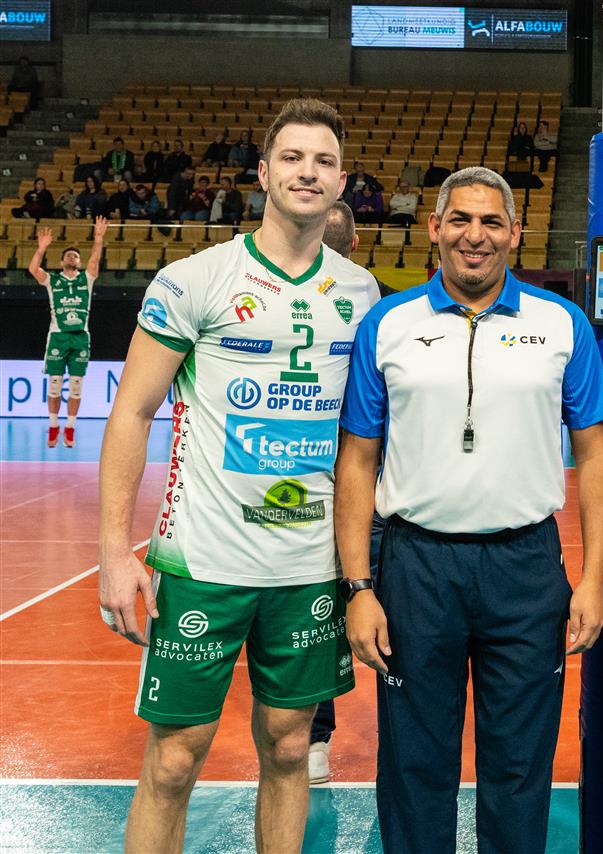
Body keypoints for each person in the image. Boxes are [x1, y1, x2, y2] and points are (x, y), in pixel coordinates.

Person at [96, 98, 380, 854]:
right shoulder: (193, 280)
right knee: (174, 760)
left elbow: (363, 441)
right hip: (203, 563)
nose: (307, 172)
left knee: (289, 747)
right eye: (292, 158)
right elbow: (132, 414)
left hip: (308, 567)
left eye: (323, 161)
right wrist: (114, 553)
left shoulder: (362, 294)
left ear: (341, 181)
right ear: (262, 173)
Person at [337, 166, 603, 852]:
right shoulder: (388, 323)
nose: (475, 236)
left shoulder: (561, 323)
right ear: (435, 227)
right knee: (414, 763)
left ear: (515, 233)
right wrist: (358, 587)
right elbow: (357, 462)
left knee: (520, 765)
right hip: (415, 567)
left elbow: (596, 456)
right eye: (460, 219)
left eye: (492, 222)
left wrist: (591, 579)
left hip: (526, 568)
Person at [307, 199, 362, 787]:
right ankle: (315, 737)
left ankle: (314, 739)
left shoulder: (368, 302)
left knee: (322, 617)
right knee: (323, 619)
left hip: (359, 489)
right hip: (335, 491)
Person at [28, 216, 108, 448]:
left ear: (79, 262)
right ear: (62, 261)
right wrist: (41, 248)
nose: (72, 257)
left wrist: (99, 237)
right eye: (68, 255)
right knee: (54, 383)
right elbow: (33, 269)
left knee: (76, 385)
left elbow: (95, 258)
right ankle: (54, 425)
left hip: (80, 338)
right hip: (58, 337)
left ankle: (70, 427)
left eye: (76, 256)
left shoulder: (86, 279)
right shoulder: (53, 280)